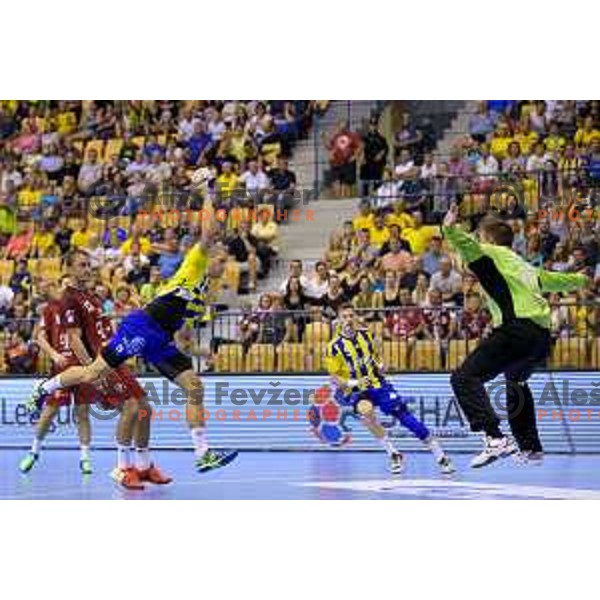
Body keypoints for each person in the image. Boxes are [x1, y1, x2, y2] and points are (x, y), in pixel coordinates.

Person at [28, 210, 238, 474]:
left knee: (194, 386)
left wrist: (199, 351)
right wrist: (206, 191)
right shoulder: (194, 264)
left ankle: (203, 452)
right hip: (142, 328)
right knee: (94, 372)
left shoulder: (207, 291)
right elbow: (208, 231)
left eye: (225, 261)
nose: (224, 264)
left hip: (161, 340)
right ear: (207, 259)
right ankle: (46, 386)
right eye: (220, 259)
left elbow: (183, 332)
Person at [443, 204, 589, 468]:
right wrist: (580, 280)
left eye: (480, 236)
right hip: (541, 337)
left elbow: (466, 247)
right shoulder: (522, 265)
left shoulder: (491, 252)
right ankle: (531, 447)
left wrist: (448, 227)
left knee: (464, 378)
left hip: (515, 329)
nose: (477, 239)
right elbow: (552, 280)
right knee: (515, 383)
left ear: (488, 239)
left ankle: (495, 438)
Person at [325, 304, 454, 474]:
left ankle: (440, 455)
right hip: (357, 390)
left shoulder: (366, 335)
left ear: (355, 317)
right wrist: (354, 383)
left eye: (351, 316)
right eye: (345, 317)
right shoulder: (334, 347)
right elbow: (335, 379)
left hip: (379, 384)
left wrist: (380, 365)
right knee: (366, 411)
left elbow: (376, 357)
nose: (348, 320)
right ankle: (393, 453)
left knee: (403, 416)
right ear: (339, 320)